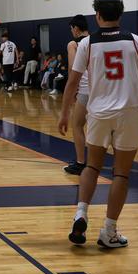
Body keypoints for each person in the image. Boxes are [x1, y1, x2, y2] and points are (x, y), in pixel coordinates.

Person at [58, 0, 138, 249]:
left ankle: (81, 213)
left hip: (99, 113)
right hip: (128, 114)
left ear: (97, 15)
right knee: (121, 174)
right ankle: (109, 231)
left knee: (91, 167)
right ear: (120, 14)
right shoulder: (136, 41)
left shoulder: (87, 43)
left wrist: (64, 113)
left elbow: (72, 82)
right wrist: (135, 97)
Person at [58, 15, 90, 175]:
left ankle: (80, 163)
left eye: (71, 28)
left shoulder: (73, 44)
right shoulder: (95, 40)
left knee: (77, 125)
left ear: (76, 28)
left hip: (84, 89)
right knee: (105, 128)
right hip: (101, 90)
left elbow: (72, 68)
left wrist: (73, 91)